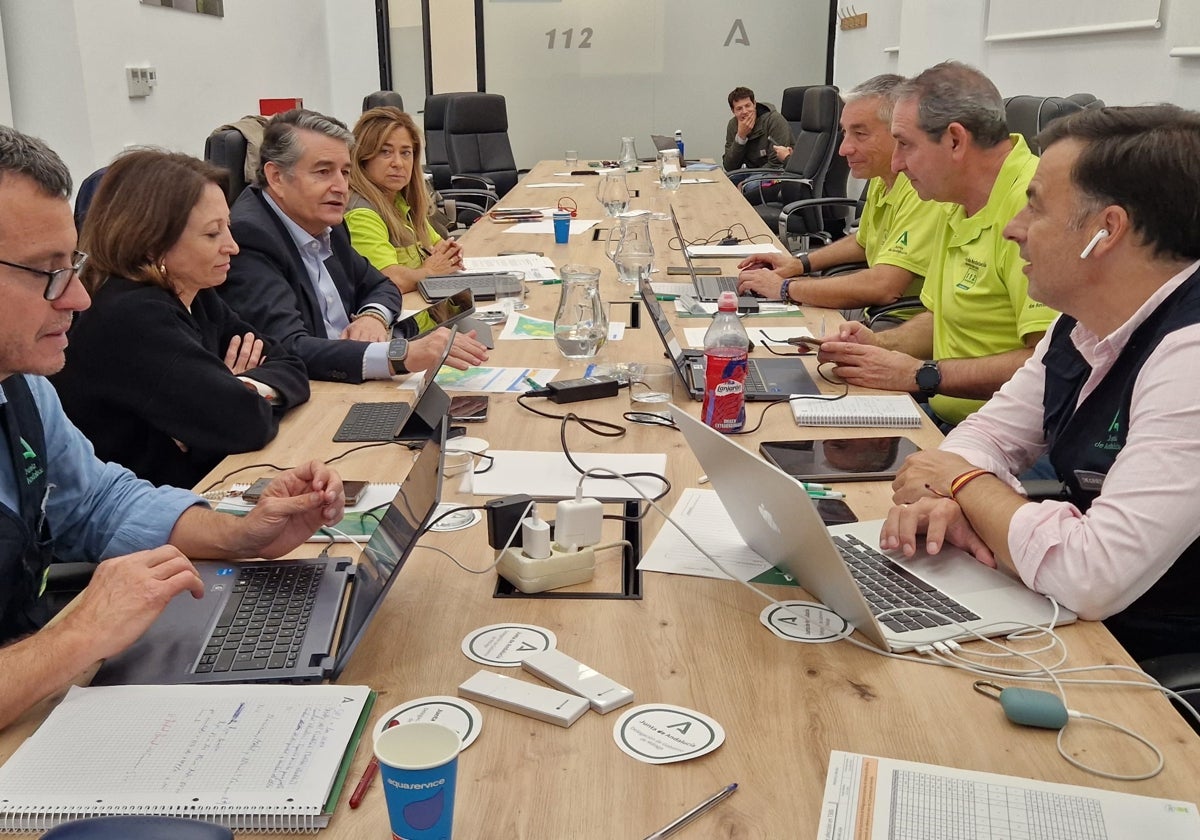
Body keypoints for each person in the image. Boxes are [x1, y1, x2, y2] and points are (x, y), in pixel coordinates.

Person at [0, 126, 345, 730]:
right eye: (45, 272)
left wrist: (242, 535)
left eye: (73, 265)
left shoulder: (21, 388)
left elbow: (101, 503)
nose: (79, 299)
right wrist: (77, 635)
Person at [882, 104, 1200, 661]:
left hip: (1139, 665)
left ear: (1106, 232)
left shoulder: (1190, 359)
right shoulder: (1078, 322)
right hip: (1056, 612)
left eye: (1036, 207)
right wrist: (949, 493)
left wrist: (961, 487)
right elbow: (991, 435)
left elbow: (1091, 572)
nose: (1014, 228)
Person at [817, 62, 1057, 428]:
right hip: (949, 417)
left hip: (1011, 441)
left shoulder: (1034, 208)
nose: (896, 162)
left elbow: (1049, 365)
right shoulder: (954, 197)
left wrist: (923, 374)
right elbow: (939, 320)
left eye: (904, 144)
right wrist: (878, 346)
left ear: (955, 140)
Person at [51, 151, 310, 488]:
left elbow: (291, 365)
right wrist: (226, 403)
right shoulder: (133, 315)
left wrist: (236, 388)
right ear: (153, 242)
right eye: (212, 234)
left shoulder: (194, 292)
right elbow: (244, 423)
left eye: (227, 228)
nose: (232, 246)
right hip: (135, 515)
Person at [218, 109, 488, 384]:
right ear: (276, 177)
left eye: (345, 172)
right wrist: (398, 357)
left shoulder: (326, 221)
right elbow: (288, 347)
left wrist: (373, 317)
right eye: (323, 171)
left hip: (353, 374)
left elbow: (380, 285)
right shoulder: (250, 238)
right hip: (317, 392)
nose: (340, 187)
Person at [737, 74, 946, 317]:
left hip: (894, 321)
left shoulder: (922, 190)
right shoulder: (883, 178)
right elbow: (862, 241)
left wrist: (785, 288)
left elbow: (884, 286)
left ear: (899, 132)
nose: (843, 148)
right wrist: (798, 263)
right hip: (871, 313)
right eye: (845, 133)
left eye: (860, 134)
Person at [345, 107, 464, 295]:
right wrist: (430, 272)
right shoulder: (361, 214)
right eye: (385, 152)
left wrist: (450, 254)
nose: (398, 163)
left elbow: (438, 248)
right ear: (363, 158)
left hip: (437, 314)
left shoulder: (400, 201)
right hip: (409, 322)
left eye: (406, 153)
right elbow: (390, 282)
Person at [722, 86, 793, 172]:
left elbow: (776, 164)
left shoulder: (774, 120)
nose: (745, 111)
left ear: (754, 104)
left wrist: (749, 180)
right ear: (733, 111)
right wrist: (740, 137)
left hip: (777, 175)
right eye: (739, 108)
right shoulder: (733, 125)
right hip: (751, 173)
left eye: (748, 106)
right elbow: (729, 167)